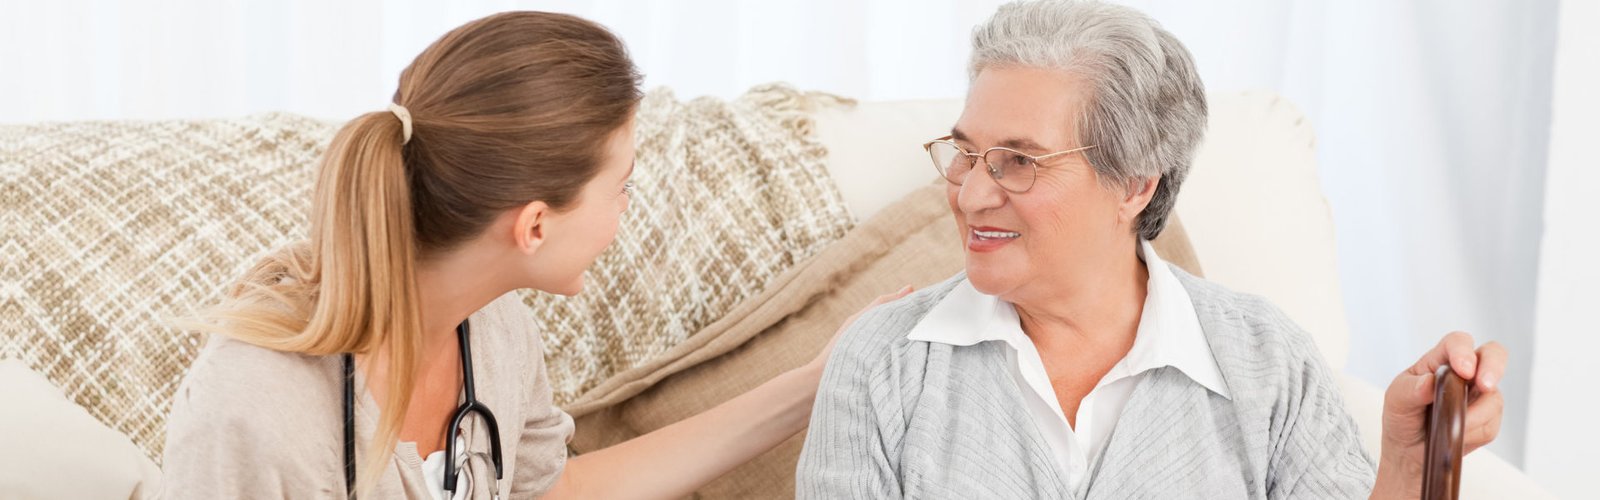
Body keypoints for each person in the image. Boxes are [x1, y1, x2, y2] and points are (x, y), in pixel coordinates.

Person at [159, 12, 905, 499]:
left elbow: (550, 494)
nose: (625, 211)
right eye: (621, 186)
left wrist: (815, 387)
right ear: (535, 225)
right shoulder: (257, 411)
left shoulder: (493, 327)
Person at [796, 1, 1507, 498]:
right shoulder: (880, 363)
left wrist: (1409, 467)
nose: (970, 194)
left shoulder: (1267, 362)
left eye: (1018, 161)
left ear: (1135, 182)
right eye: (966, 152)